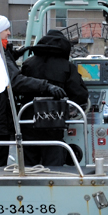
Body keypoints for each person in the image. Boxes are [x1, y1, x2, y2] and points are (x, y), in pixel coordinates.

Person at [0, 15, 66, 171]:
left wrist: (13, 55)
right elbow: (15, 81)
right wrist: (46, 86)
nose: (8, 33)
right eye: (6, 30)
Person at [19, 29, 90, 167]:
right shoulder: (67, 67)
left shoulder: (28, 64)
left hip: (28, 120)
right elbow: (80, 94)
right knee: (53, 160)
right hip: (53, 121)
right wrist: (70, 110)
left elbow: (20, 87)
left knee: (29, 163)